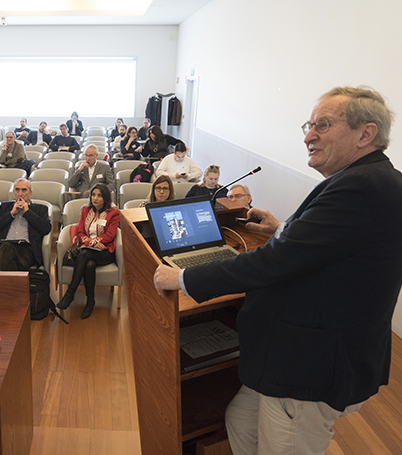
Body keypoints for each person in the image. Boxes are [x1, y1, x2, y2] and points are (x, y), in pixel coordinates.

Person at [153, 86, 402, 455]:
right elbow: (334, 246)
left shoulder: (361, 186)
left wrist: (183, 277)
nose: (308, 135)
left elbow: (274, 262)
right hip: (303, 351)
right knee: (241, 419)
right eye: (309, 125)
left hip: (310, 365)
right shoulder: (373, 179)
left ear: (366, 133)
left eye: (323, 125)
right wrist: (283, 228)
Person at [57, 183, 120, 319]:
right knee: (89, 264)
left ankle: (70, 294)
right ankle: (90, 302)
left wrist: (96, 243)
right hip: (88, 248)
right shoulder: (85, 210)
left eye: (99, 195)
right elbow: (80, 232)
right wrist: (91, 243)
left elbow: (110, 235)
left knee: (84, 254)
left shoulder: (113, 213)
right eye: (93, 195)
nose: (95, 198)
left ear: (105, 198)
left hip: (105, 251)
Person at [0, 178, 52, 271]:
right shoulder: (5, 207)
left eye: (24, 190)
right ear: (14, 192)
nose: (20, 193)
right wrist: (11, 214)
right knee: (9, 261)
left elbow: (46, 229)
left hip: (26, 250)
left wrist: (27, 212)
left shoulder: (41, 209)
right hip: (4, 248)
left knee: (7, 249)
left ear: (30, 193)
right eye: (17, 190)